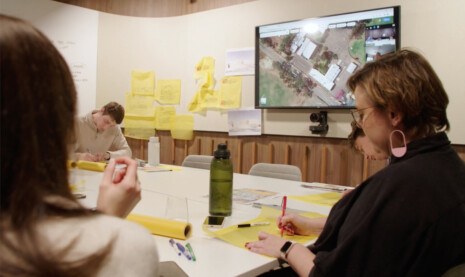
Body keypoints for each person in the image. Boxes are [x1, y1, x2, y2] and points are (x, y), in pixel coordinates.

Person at [246, 49, 465, 276]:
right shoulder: (451, 168)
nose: (360, 123)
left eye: (361, 113)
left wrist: (286, 248)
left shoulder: (398, 186)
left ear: (393, 114)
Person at [0, 15, 159, 276]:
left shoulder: (114, 128)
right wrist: (108, 223)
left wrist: (106, 154)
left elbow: (126, 150)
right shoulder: (131, 245)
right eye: (106, 122)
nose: (107, 127)